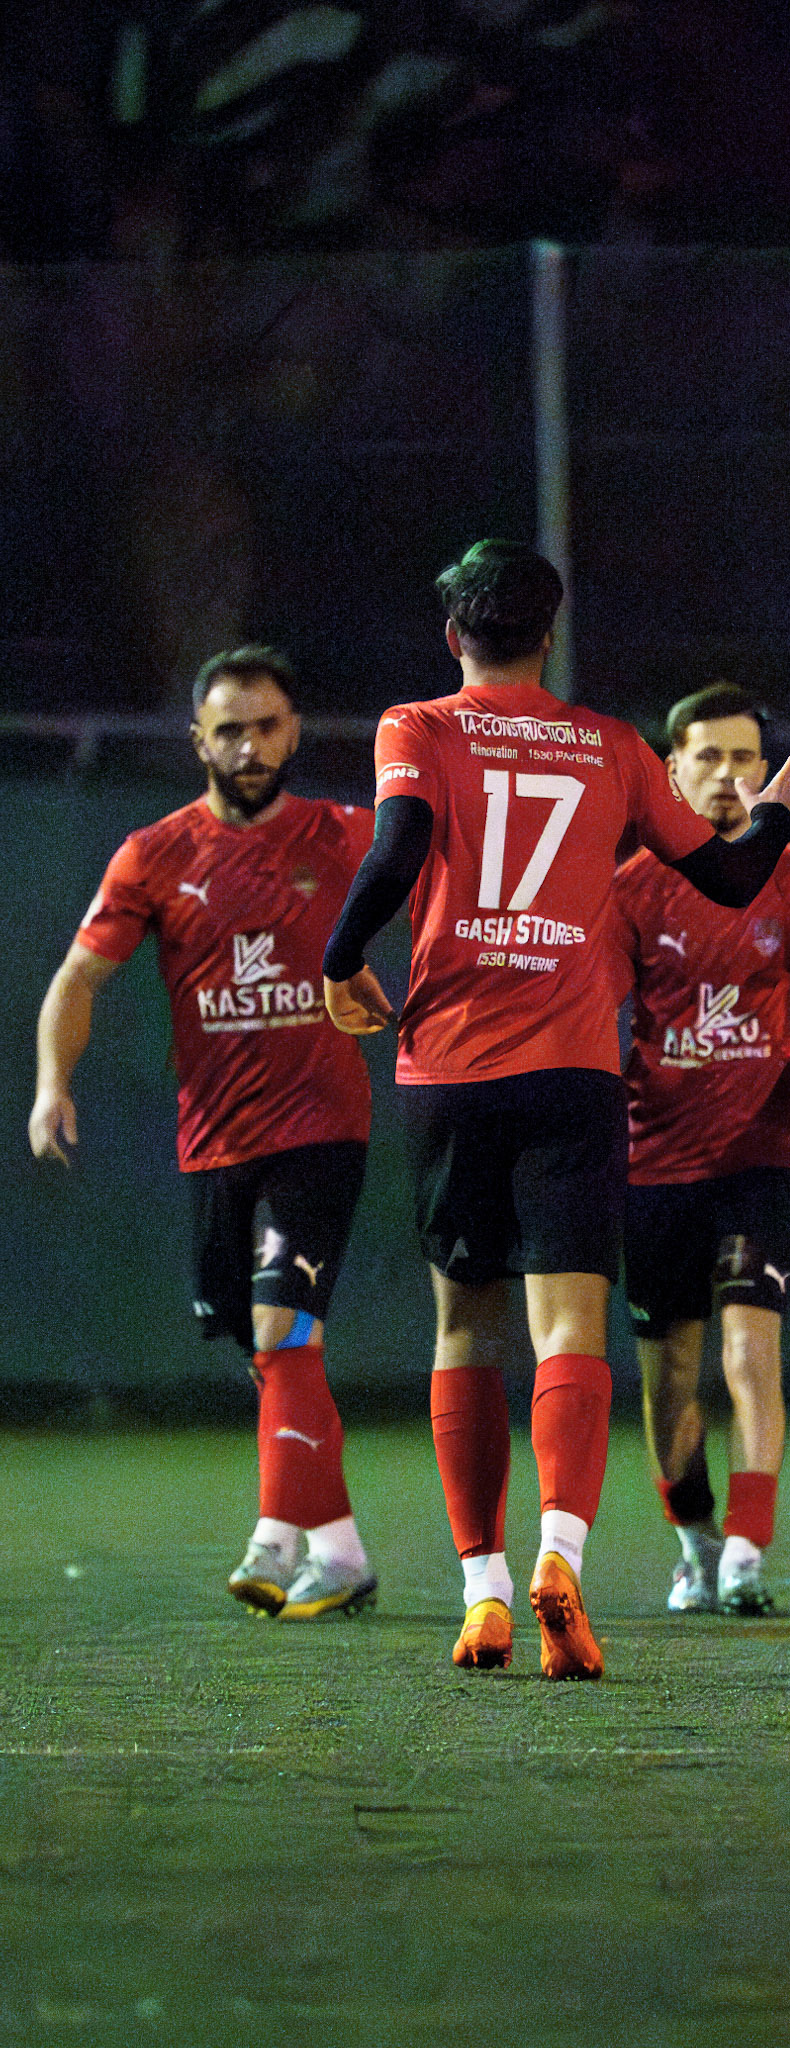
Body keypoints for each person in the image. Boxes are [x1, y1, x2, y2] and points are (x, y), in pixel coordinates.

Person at [321, 540, 790, 1681]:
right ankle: (562, 1558)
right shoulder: (610, 746)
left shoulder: (418, 726)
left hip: (448, 1064)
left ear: (454, 636)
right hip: (574, 1073)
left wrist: (341, 956)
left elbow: (396, 850)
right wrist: (779, 813)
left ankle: (483, 1584)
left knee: (464, 1330)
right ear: (550, 633)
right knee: (569, 1333)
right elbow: (734, 880)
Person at [29, 647, 378, 1620]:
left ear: (294, 729)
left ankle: (275, 1536)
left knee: (281, 1329)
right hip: (215, 1143)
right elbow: (75, 980)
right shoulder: (154, 853)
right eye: (229, 728)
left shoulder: (344, 834)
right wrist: (52, 1082)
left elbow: (445, 893)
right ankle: (341, 1547)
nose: (251, 745)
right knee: (273, 1355)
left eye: (267, 725)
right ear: (198, 740)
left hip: (319, 1130)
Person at [614, 681, 790, 1617]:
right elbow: (597, 1028)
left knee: (751, 1356)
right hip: (653, 1170)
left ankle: (749, 1552)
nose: (726, 776)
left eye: (744, 758)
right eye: (705, 757)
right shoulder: (632, 886)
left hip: (759, 1165)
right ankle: (695, 1545)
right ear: (669, 770)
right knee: (668, 1374)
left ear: (768, 773)